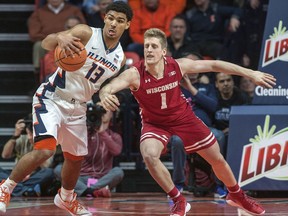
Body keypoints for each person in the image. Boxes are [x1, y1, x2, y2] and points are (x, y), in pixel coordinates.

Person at [99, 28, 276, 216]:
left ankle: (237, 195)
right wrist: (104, 93)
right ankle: (178, 200)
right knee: (149, 155)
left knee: (216, 159)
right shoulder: (135, 73)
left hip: (184, 118)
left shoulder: (177, 65)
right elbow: (112, 85)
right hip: (155, 123)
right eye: (146, 46)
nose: (149, 50)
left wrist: (251, 73)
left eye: (154, 46)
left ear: (163, 51)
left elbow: (215, 65)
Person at [0, 1, 133, 215]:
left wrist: (106, 96)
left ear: (126, 25)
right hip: (52, 97)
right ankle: (5, 188)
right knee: (45, 149)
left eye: (119, 21)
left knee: (75, 158)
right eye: (110, 18)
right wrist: (59, 37)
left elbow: (98, 85)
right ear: (104, 17)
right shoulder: (86, 32)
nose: (113, 24)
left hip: (78, 106)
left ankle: (66, 197)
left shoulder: (120, 59)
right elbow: (45, 43)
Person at [169, 52, 227, 198]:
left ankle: (219, 185)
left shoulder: (207, 87)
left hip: (206, 130)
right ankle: (178, 184)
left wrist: (191, 88)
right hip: (184, 130)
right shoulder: (174, 87)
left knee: (219, 136)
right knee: (176, 141)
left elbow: (213, 106)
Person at [54, 101, 124, 198]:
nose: (102, 113)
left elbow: (116, 151)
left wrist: (102, 132)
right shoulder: (83, 133)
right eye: (99, 109)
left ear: (111, 114)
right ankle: (93, 192)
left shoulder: (114, 136)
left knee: (118, 171)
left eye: (104, 110)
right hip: (80, 178)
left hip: (101, 179)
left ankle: (86, 191)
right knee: (59, 169)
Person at [28, 0, 86, 86]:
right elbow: (33, 34)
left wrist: (66, 38)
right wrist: (54, 39)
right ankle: (38, 76)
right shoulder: (39, 12)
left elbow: (84, 29)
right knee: (38, 45)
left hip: (71, 41)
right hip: (49, 43)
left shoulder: (74, 10)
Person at [0, 115, 54, 197]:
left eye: (30, 134)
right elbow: (5, 155)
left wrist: (35, 143)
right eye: (28, 133)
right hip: (15, 174)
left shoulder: (46, 140)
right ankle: (26, 190)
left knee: (49, 172)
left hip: (34, 176)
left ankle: (16, 189)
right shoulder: (22, 138)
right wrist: (15, 136)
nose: (29, 137)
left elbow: (46, 166)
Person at [40, 15, 83, 83]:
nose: (71, 30)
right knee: (51, 77)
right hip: (61, 75)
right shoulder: (58, 41)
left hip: (81, 77)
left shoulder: (88, 41)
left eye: (74, 28)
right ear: (65, 27)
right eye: (69, 27)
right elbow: (50, 66)